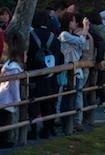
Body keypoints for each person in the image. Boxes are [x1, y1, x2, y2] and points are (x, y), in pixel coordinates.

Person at [26, 11, 62, 139]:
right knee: (50, 103)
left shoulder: (30, 35)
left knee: (33, 104)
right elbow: (59, 57)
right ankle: (48, 129)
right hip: (50, 75)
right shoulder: (54, 37)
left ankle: (33, 130)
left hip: (34, 75)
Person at [58, 14, 92, 130]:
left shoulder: (71, 35)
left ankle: (76, 121)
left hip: (76, 70)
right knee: (66, 97)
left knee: (76, 96)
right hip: (68, 70)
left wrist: (84, 32)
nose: (75, 24)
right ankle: (65, 121)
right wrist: (85, 29)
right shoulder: (64, 34)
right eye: (73, 21)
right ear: (68, 22)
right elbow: (82, 43)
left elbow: (84, 45)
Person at [0, 31, 26, 149]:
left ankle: (1, 140)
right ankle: (2, 141)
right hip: (9, 97)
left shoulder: (8, 64)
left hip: (4, 94)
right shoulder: (14, 68)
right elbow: (13, 85)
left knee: (2, 118)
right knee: (5, 119)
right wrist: (17, 99)